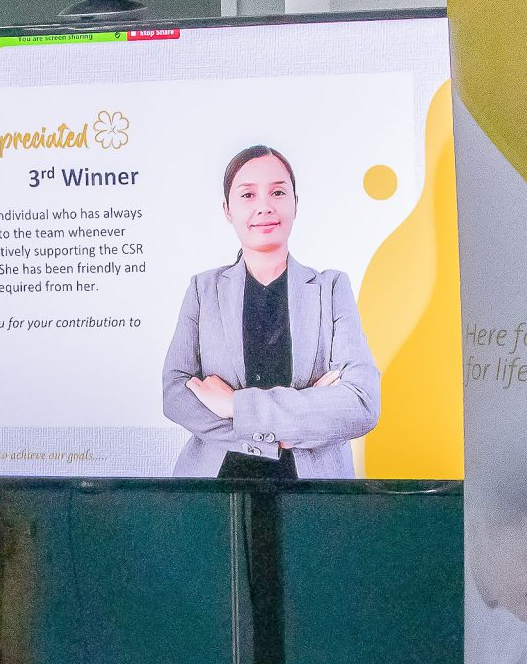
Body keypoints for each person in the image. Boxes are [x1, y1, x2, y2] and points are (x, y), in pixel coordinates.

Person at [161, 145, 380, 478]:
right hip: (216, 485)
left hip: (315, 489)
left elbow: (361, 404)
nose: (264, 206)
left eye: (278, 192)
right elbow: (176, 394)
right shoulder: (203, 290)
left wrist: (235, 406)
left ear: (295, 203)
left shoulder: (332, 289)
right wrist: (287, 429)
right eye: (247, 195)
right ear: (227, 209)